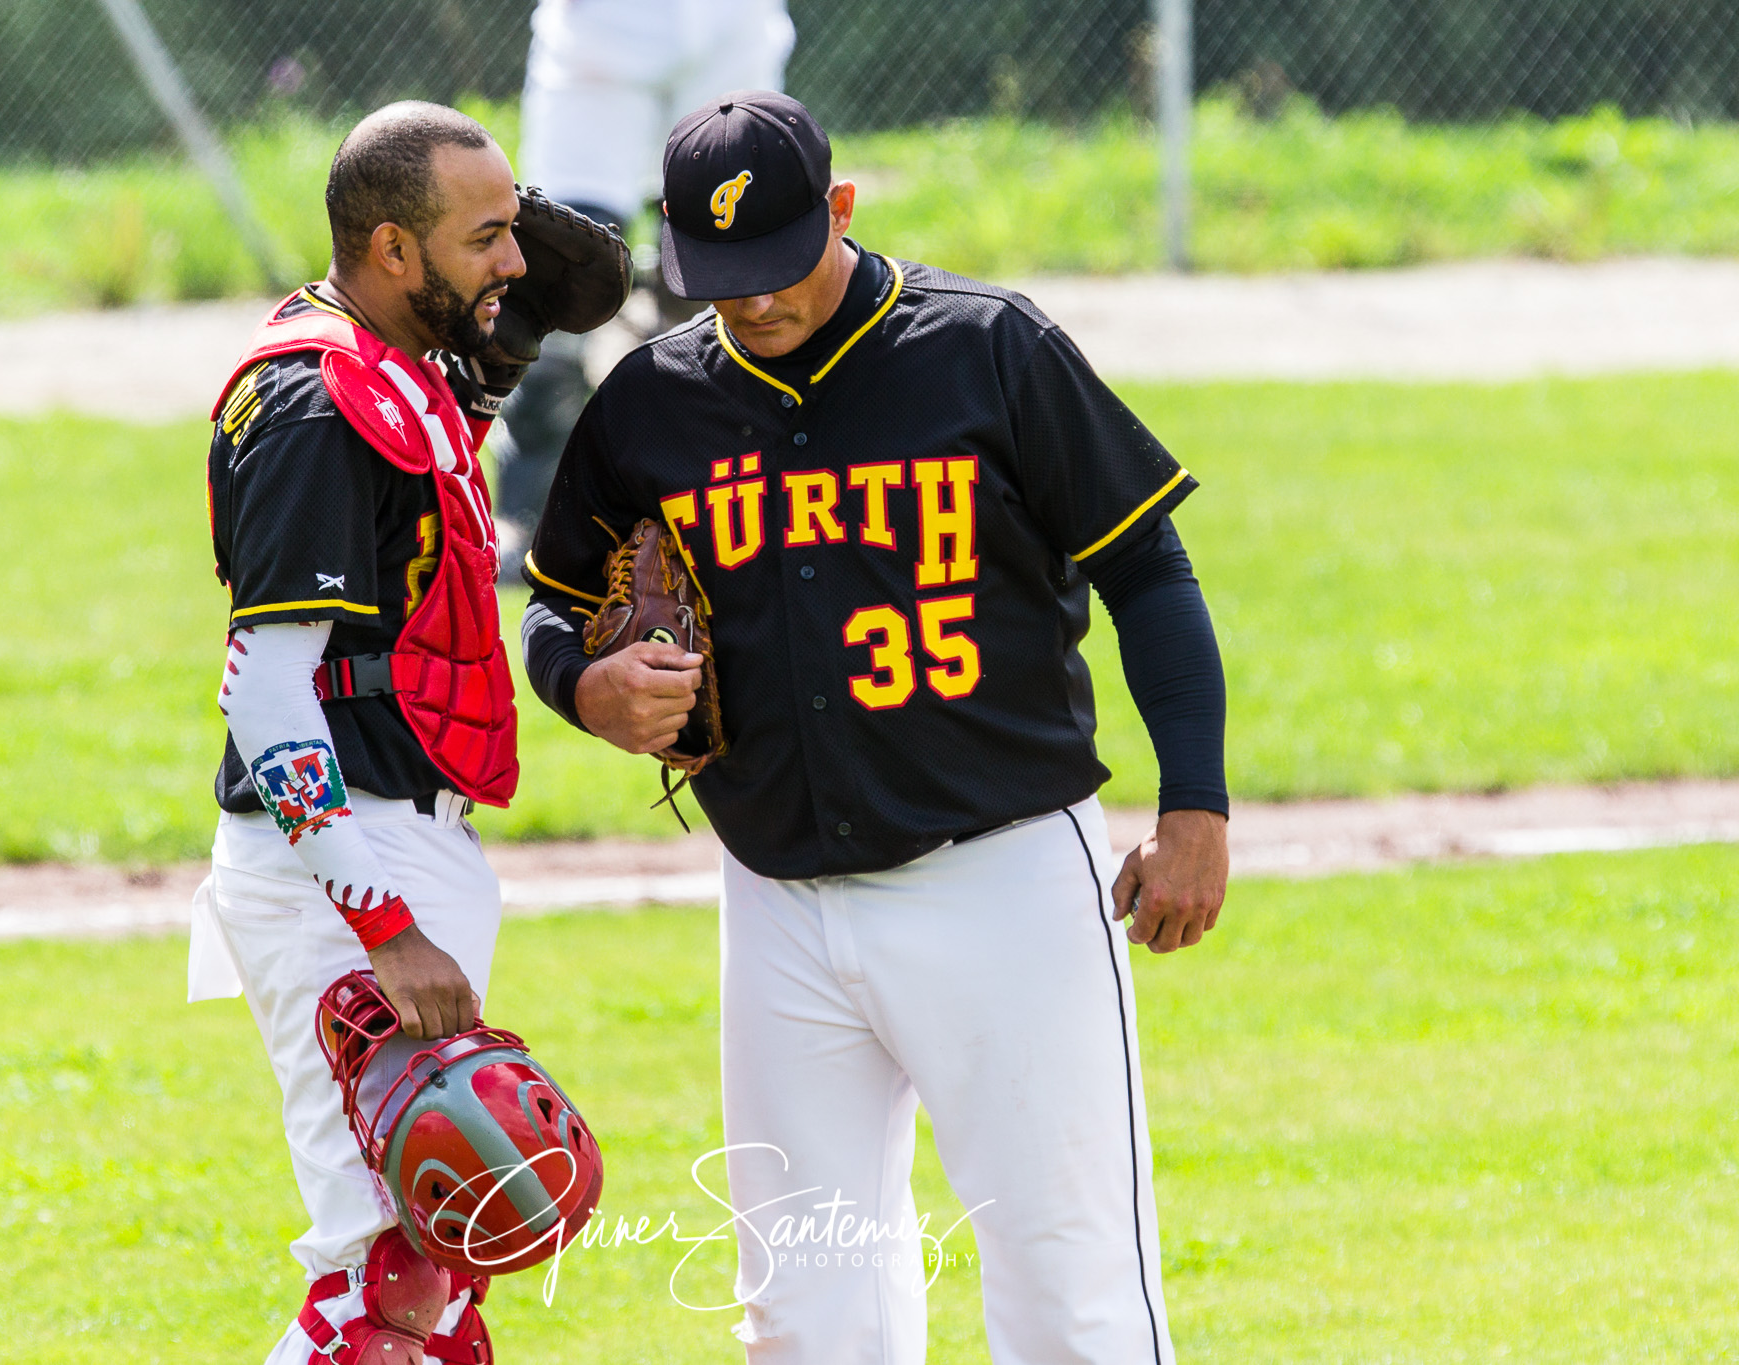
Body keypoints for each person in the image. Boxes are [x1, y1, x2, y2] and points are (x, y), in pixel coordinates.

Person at [520, 91, 1230, 1364]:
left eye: (779, 266)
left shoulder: (988, 349)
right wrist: (586, 690)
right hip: (776, 898)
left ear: (839, 210)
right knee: (803, 1316)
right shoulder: (651, 404)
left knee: (1069, 1294)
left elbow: (1150, 575)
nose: (756, 302)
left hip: (1001, 881)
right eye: (720, 279)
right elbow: (555, 608)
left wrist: (1195, 808)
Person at [185, 102, 531, 1365]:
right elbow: (264, 692)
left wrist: (499, 345)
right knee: (383, 1283)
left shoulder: (385, 368)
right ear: (392, 247)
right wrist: (385, 924)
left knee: (428, 1271)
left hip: (386, 840)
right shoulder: (315, 410)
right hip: (345, 868)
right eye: (486, 237)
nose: (515, 261)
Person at [495, 0, 797, 576]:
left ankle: (731, 501)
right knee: (558, 260)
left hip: (731, 21)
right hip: (601, 25)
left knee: (717, 266)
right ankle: (529, 513)